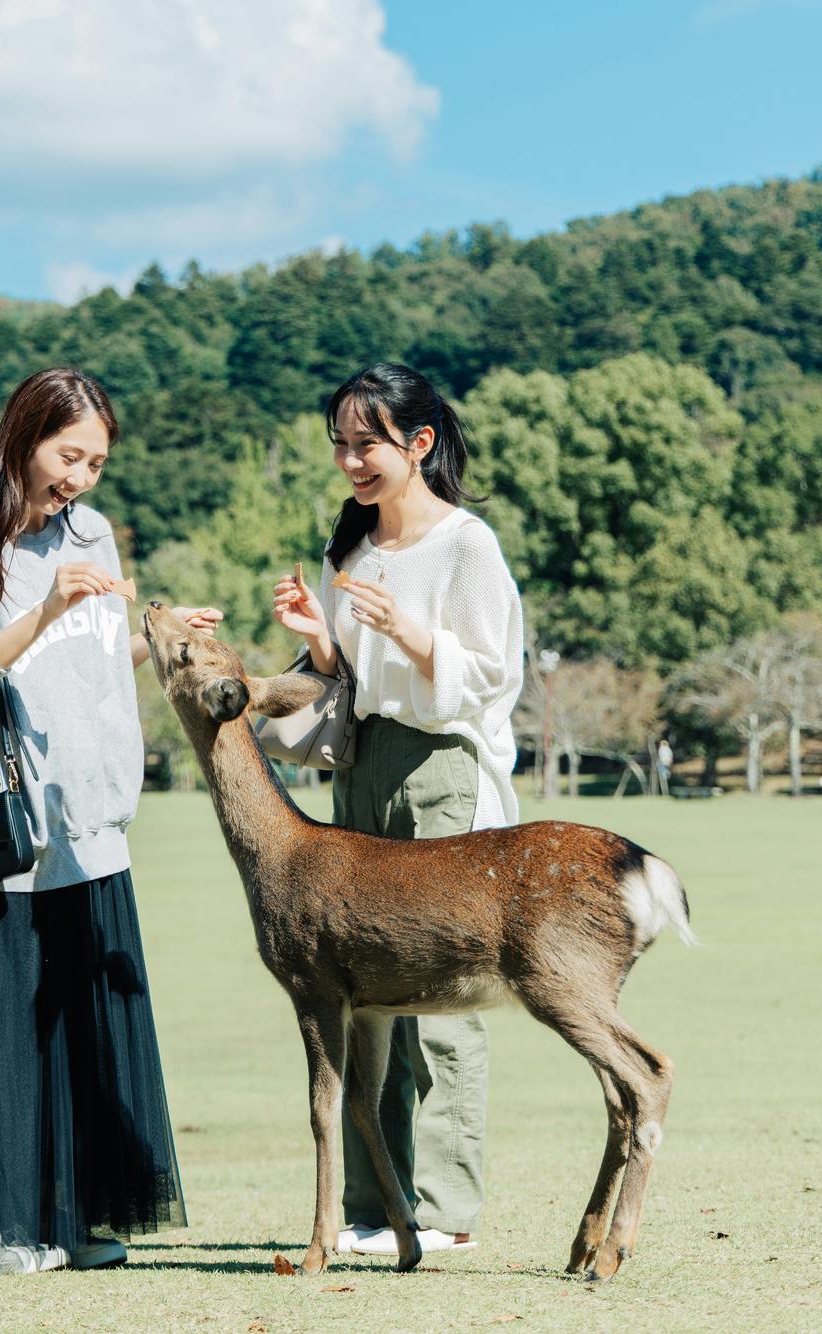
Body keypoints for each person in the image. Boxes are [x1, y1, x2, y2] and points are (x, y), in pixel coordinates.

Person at [0, 368, 219, 1276]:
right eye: (70, 456)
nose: (83, 479)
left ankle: (70, 1216)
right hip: (2, 829)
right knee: (3, 1037)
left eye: (97, 462)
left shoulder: (89, 532)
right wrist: (44, 606)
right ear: (23, 437)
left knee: (79, 1034)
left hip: (90, 824)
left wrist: (162, 636)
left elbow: (85, 669)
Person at [271, 362, 525, 1259]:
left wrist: (410, 632)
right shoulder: (353, 548)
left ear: (418, 443)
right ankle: (373, 1207)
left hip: (444, 770)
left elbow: (493, 674)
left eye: (366, 442)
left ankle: (445, 1211)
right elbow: (348, 686)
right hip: (366, 768)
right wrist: (322, 640)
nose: (350, 461)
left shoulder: (466, 546)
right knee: (363, 993)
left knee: (446, 988)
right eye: (340, 443)